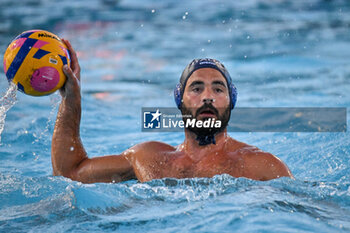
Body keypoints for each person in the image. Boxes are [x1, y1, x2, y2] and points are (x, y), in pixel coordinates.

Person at [52, 39, 293, 184]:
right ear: (179, 99)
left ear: (231, 101)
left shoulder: (263, 166)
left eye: (218, 89)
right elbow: (69, 173)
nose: (207, 96)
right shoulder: (148, 158)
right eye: (197, 88)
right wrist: (71, 100)